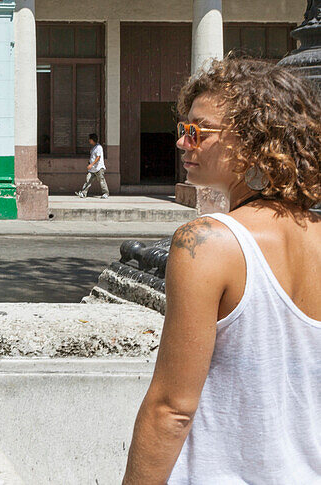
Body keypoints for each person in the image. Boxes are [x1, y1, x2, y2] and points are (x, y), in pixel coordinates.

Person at [123, 57, 321, 484]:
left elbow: (172, 408)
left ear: (253, 142)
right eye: (183, 129)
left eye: (198, 131)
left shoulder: (208, 242)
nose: (182, 143)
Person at [76, 132, 109, 198]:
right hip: (92, 169)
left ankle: (105, 193)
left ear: (92, 139)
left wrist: (91, 164)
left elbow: (98, 157)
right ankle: (83, 193)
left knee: (102, 181)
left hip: (99, 168)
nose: (89, 141)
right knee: (88, 180)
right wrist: (90, 163)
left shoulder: (99, 147)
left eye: (90, 139)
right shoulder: (93, 148)